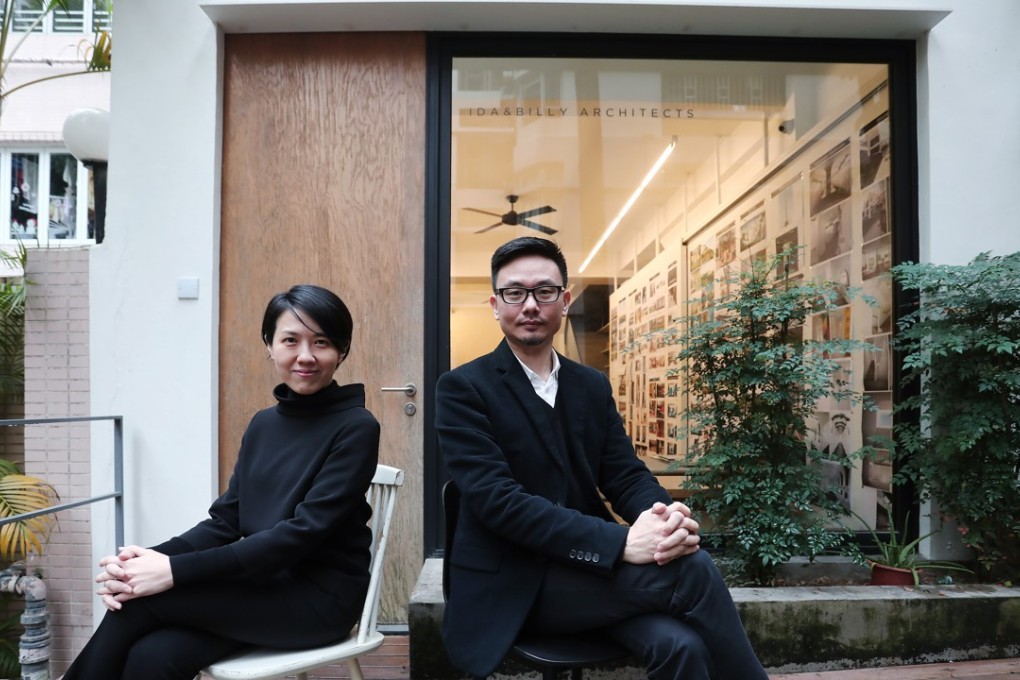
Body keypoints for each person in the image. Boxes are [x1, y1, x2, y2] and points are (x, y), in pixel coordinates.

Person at [436, 237, 768, 680]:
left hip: (589, 576)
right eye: (515, 293)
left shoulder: (589, 386)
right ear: (496, 305)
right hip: (514, 586)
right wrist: (621, 544)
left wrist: (664, 517)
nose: (530, 305)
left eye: (545, 291)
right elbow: (499, 502)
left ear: (565, 300)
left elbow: (624, 474)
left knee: (681, 646)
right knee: (693, 571)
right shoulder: (462, 388)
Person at [62, 284, 380, 680]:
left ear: (342, 350)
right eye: (290, 340)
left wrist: (173, 571)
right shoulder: (264, 424)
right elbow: (226, 521)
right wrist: (142, 562)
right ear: (269, 344)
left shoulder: (356, 427)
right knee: (154, 656)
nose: (305, 356)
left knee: (141, 604)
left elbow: (299, 534)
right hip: (262, 589)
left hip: (319, 599)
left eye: (322, 342)